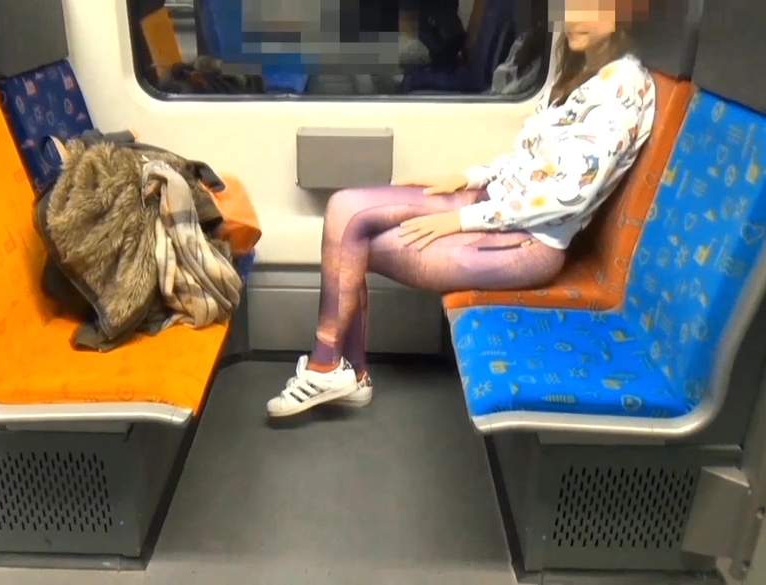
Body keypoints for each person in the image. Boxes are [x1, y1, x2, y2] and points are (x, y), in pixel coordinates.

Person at [267, 0, 656, 418]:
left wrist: (461, 220)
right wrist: (472, 177)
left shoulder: (623, 88)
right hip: (494, 202)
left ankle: (334, 368)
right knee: (344, 208)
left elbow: (567, 195)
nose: (574, 17)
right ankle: (338, 372)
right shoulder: (580, 73)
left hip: (528, 242)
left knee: (351, 244)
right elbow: (532, 160)